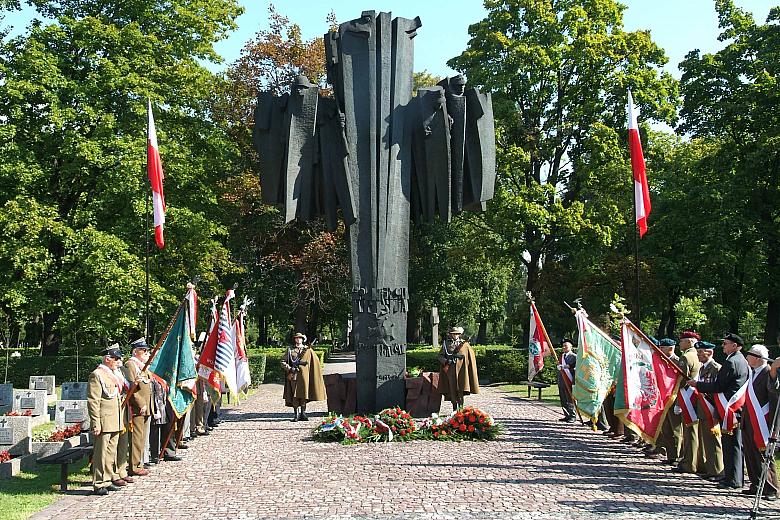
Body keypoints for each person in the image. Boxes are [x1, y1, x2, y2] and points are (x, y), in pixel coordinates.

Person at [688, 332, 750, 490]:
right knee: (730, 445)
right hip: (732, 408)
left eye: (726, 343)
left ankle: (733, 480)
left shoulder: (733, 362)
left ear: (734, 346)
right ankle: (731, 478)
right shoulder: (738, 360)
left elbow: (719, 385)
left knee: (732, 445)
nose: (723, 346)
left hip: (731, 408)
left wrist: (698, 385)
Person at [86, 346, 126, 495]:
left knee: (111, 452)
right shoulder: (97, 375)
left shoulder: (113, 374)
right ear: (107, 359)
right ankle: (98, 482)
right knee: (100, 453)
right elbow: (93, 401)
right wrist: (96, 422)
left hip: (115, 419)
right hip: (103, 421)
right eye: (116, 359)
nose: (118, 362)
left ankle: (108, 479)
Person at [742, 344, 778, 500]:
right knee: (750, 454)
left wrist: (774, 426)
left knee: (764, 456)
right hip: (749, 420)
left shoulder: (768, 373)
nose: (746, 357)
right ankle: (756, 484)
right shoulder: (753, 373)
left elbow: (774, 399)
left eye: (749, 355)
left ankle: (771, 489)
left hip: (763, 422)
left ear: (757, 358)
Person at [123, 338, 153, 477]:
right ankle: (134, 465)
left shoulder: (143, 366)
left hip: (147, 406)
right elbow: (132, 387)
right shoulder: (131, 365)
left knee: (142, 437)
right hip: (137, 407)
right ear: (136, 352)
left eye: (147, 350)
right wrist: (141, 404)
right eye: (143, 350)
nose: (146, 353)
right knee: (136, 437)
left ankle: (139, 463)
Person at [694, 340, 724, 481]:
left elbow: (716, 389)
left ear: (710, 352)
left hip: (712, 408)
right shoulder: (702, 367)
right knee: (705, 440)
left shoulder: (716, 368)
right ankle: (708, 468)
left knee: (714, 441)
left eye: (700, 352)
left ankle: (717, 470)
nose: (698, 355)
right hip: (703, 408)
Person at [674, 330, 702, 474]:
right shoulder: (698, 355)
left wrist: (677, 400)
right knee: (695, 431)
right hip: (696, 396)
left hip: (687, 396)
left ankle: (689, 463)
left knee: (689, 431)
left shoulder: (685, 357)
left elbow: (682, 380)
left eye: (682, 341)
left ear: (690, 342)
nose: (680, 343)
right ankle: (696, 462)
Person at [647, 339, 680, 461]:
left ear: (670, 348)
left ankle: (676, 456)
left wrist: (678, 404)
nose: (659, 350)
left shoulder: (678, 361)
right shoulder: (660, 360)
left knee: (675, 431)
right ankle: (668, 454)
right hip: (662, 400)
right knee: (665, 429)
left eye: (662, 348)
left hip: (674, 400)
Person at [281, 332, 326, 421]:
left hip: (305, 377)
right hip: (294, 376)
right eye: (296, 338)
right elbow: (282, 362)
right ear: (295, 339)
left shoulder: (308, 350)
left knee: (304, 395)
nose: (298, 339)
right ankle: (296, 414)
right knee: (295, 395)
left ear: (302, 339)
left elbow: (315, 361)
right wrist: (290, 368)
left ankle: (303, 413)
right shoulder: (290, 350)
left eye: (300, 338)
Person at [438, 326, 480, 410]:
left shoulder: (464, 344)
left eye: (457, 334)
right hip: (450, 370)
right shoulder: (446, 344)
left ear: (459, 335)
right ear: (451, 335)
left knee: (461, 388)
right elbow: (440, 356)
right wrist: (446, 361)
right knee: (452, 389)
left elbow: (470, 356)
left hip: (462, 370)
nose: (455, 336)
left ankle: (461, 409)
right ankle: (454, 409)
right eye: (453, 334)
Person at [557, 339, 577, 423]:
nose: (564, 347)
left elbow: (575, 367)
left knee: (570, 399)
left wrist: (567, 366)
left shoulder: (574, 356)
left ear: (571, 347)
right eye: (563, 346)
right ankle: (566, 415)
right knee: (563, 399)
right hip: (561, 380)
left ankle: (572, 415)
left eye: (566, 345)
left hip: (569, 380)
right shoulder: (561, 356)